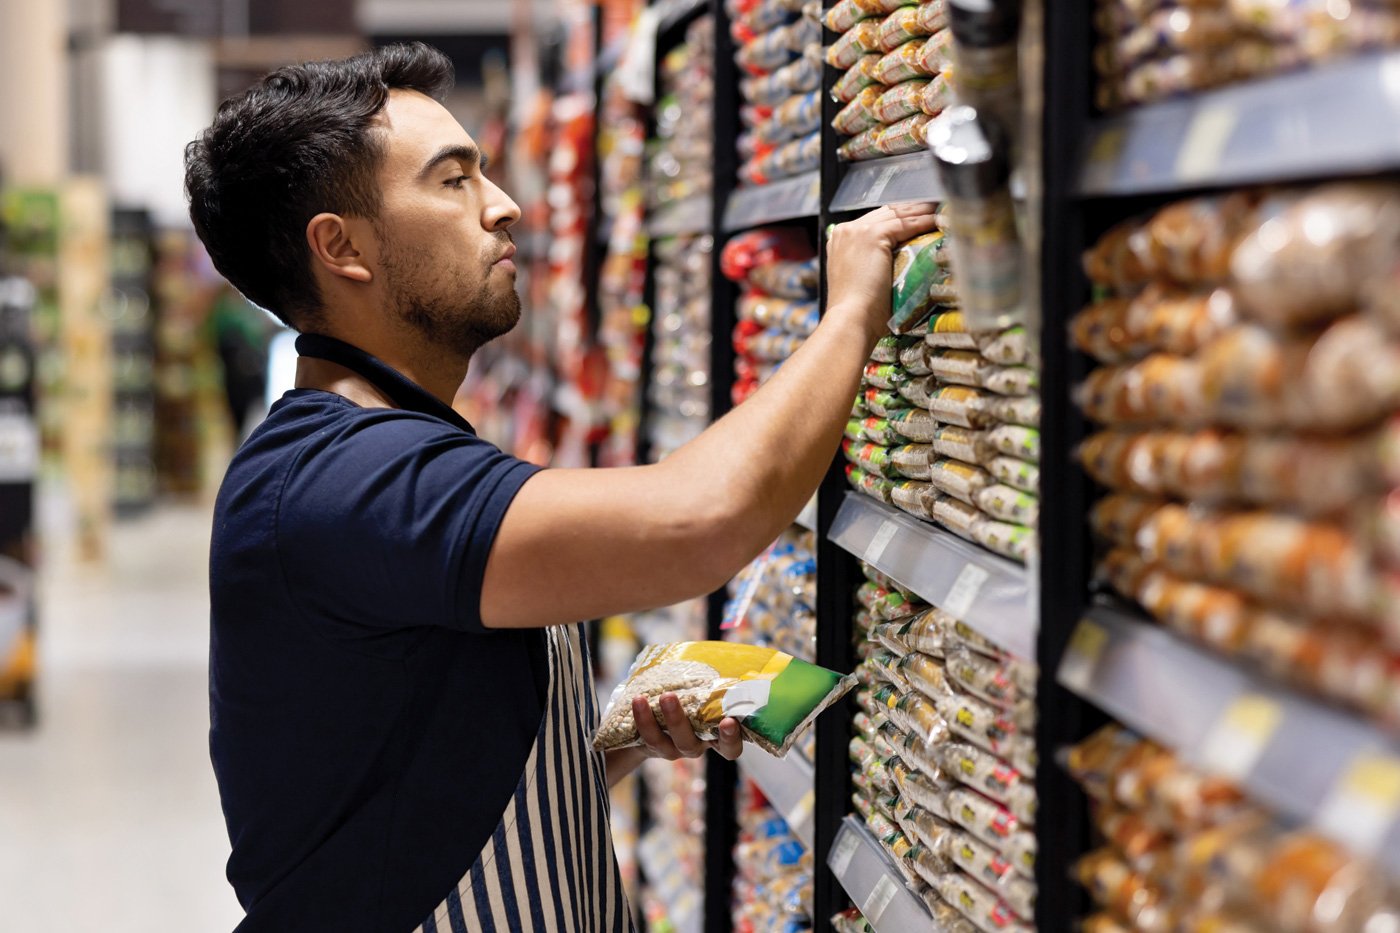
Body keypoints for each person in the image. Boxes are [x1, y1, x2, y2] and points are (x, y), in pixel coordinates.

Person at [185, 42, 938, 933]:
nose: (504, 207)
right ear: (341, 247)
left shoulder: (380, 447)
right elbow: (700, 521)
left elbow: (396, 771)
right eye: (453, 181)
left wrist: (591, 749)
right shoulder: (346, 479)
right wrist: (852, 311)